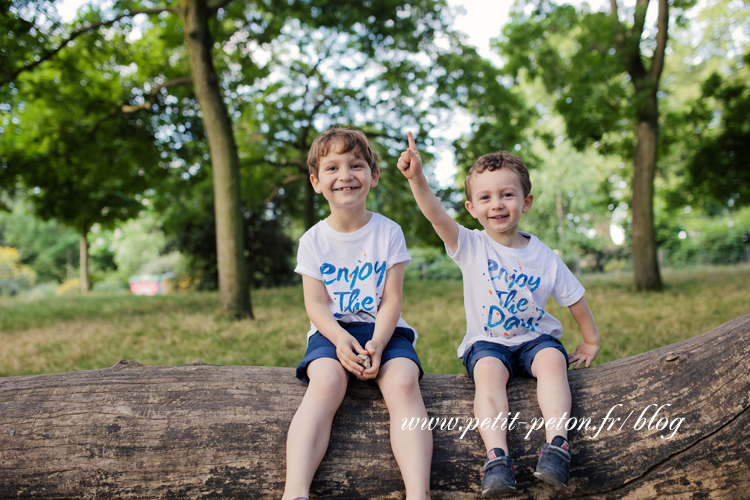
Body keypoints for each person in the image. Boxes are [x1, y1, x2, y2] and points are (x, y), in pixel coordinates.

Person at [397, 132, 600, 496]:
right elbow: (435, 213)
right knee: (488, 374)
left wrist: (590, 339)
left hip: (535, 340)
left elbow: (575, 299)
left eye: (507, 194)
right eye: (485, 197)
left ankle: (557, 446)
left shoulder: (544, 256)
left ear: (527, 201)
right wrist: (417, 179)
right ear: (472, 208)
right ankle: (497, 457)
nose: (497, 204)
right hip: (488, 343)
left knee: (554, 362)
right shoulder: (470, 245)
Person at [282, 127, 432, 500]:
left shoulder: (389, 232)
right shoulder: (313, 240)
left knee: (402, 383)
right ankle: (295, 491)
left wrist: (378, 343)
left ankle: (419, 493)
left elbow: (391, 300)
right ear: (317, 182)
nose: (345, 175)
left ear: (374, 176)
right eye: (332, 168)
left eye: (356, 165)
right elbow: (315, 304)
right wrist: (340, 339)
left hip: (385, 329)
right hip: (332, 332)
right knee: (326, 383)